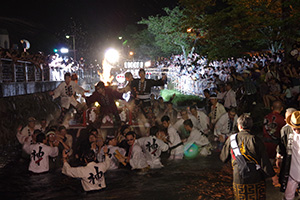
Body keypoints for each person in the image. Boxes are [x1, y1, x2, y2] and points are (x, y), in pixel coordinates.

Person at [220, 113, 279, 200]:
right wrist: (273, 176)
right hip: (256, 177)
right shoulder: (255, 140)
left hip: (239, 177)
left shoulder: (231, 139)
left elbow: (223, 158)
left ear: (239, 126)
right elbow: (265, 162)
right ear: (251, 126)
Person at [278, 111, 300, 200]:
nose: (297, 130)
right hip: (291, 172)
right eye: (295, 128)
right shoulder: (286, 131)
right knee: (288, 196)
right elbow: (281, 145)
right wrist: (278, 156)